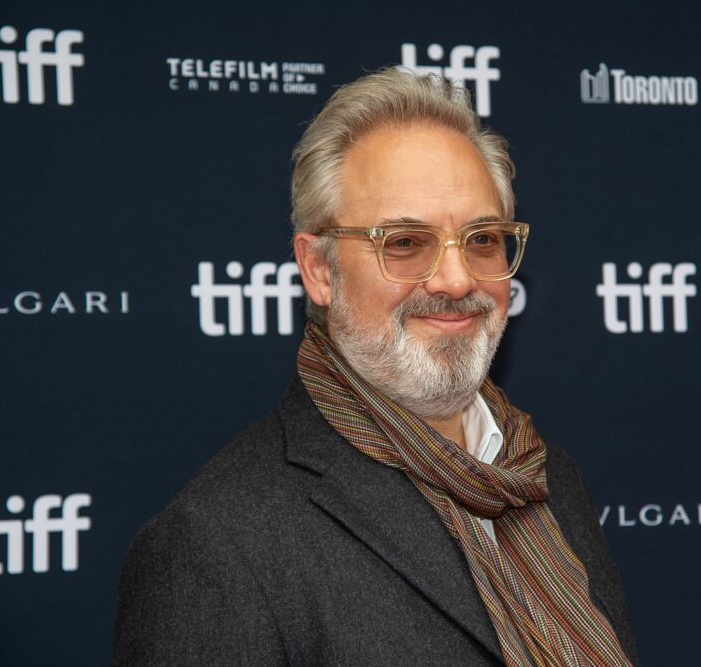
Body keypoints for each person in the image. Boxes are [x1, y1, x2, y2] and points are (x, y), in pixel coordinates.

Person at [113, 67, 638, 666]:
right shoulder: (217, 546)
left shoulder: (545, 476)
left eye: (482, 240)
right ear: (318, 270)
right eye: (404, 243)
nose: (456, 280)